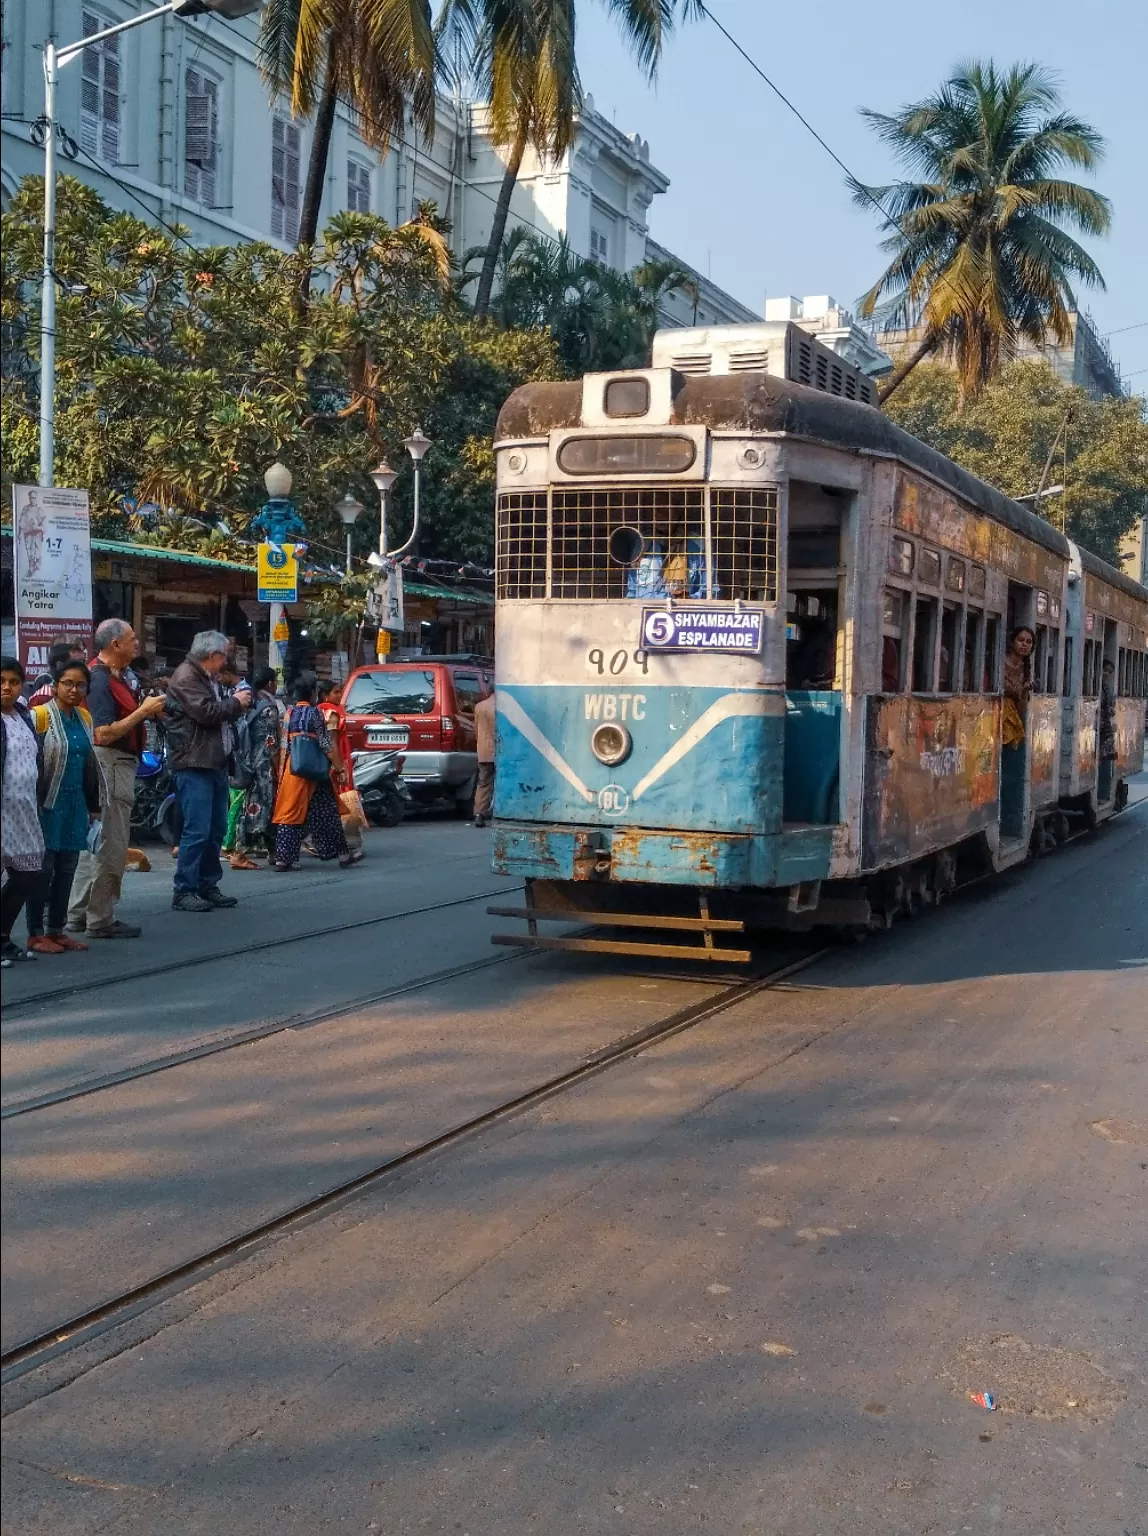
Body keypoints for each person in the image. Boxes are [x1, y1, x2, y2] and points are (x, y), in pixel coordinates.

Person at [66, 619, 167, 939]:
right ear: (115, 645)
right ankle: (100, 917)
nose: (137, 643)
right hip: (109, 763)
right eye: (132, 638)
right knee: (111, 842)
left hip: (115, 763)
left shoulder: (118, 677)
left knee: (95, 840)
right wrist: (142, 712)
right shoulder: (99, 680)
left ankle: (79, 913)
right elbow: (103, 733)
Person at [164, 631, 252, 912]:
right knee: (198, 830)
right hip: (194, 762)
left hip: (213, 760)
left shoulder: (206, 677)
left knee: (215, 829)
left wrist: (234, 705)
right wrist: (236, 703)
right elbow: (207, 713)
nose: (225, 661)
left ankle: (207, 884)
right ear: (213, 656)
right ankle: (185, 889)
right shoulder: (187, 677)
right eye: (224, 655)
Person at [27, 658, 102, 953]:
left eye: (80, 684)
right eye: (67, 683)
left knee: (68, 868)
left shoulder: (84, 718)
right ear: (55, 685)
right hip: (46, 805)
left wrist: (94, 806)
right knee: (42, 870)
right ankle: (35, 933)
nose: (73, 689)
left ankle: (56, 930)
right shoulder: (39, 717)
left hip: (75, 804)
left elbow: (90, 765)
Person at [271, 673, 355, 871]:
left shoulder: (289, 714)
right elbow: (326, 744)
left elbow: (284, 744)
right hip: (315, 769)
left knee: (289, 812)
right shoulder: (315, 713)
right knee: (327, 813)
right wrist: (339, 767)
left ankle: (283, 859)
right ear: (312, 694)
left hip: (294, 768)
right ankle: (342, 854)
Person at [1, 656, 45, 965]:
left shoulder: (23, 716)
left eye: (14, 682)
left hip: (25, 807)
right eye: (1, 681)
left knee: (28, 873)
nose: (7, 687)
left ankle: (2, 937)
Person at [232, 666, 284, 866]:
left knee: (258, 807)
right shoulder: (269, 707)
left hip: (249, 762)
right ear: (270, 683)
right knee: (264, 807)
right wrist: (277, 766)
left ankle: (274, 851)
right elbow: (271, 743)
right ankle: (240, 853)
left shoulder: (251, 701)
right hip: (264, 767)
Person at [316, 678, 362, 860]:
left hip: (326, 763)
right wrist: (340, 767)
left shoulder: (319, 711)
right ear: (325, 696)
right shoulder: (331, 713)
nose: (339, 695)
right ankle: (349, 845)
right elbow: (332, 742)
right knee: (344, 801)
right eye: (335, 692)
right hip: (337, 762)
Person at [1001, 625, 1035, 747]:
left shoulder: (1026, 671)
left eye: (1028, 642)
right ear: (1012, 642)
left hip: (1010, 726)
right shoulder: (999, 664)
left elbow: (1020, 711)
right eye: (1020, 640)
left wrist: (1024, 692)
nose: (1024, 644)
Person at [27, 639, 87, 705]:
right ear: (60, 666)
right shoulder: (44, 697)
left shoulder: (80, 693)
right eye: (76, 664)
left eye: (83, 662)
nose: (83, 667)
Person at [473, 690, 496, 828]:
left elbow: (476, 729)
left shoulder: (479, 706)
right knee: (502, 783)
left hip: (483, 751)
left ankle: (479, 814)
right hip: (499, 751)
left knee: (483, 783)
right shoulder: (502, 707)